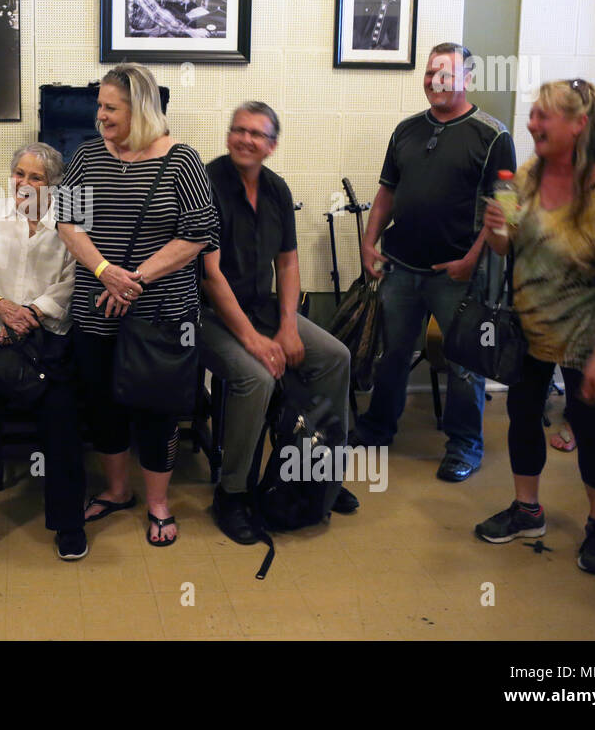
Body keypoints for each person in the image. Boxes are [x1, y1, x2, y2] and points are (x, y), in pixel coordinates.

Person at [477, 79, 595, 576]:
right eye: (532, 114)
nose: (532, 124)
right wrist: (497, 228)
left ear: (579, 125)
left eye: (544, 117)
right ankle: (528, 511)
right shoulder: (526, 174)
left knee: (589, 426)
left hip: (588, 333)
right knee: (523, 413)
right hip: (530, 326)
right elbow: (506, 248)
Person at [54, 63, 218, 546]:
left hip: (162, 314)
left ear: (140, 108)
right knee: (103, 406)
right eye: (98, 106)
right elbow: (68, 225)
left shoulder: (182, 161)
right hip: (95, 309)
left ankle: (159, 503)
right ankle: (118, 490)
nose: (99, 115)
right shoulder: (86, 157)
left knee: (158, 410)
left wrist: (135, 280)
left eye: (110, 107)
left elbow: (197, 235)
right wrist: (105, 271)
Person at [352, 43, 516, 482]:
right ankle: (378, 428)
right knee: (391, 355)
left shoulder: (494, 135)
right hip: (400, 267)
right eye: (429, 73)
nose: (435, 81)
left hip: (457, 274)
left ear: (468, 79)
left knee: (464, 366)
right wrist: (370, 244)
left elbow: (506, 209)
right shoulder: (405, 130)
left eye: (445, 73)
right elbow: (387, 191)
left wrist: (471, 259)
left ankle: (465, 446)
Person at [198, 102, 358, 544]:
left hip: (262, 306)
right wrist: (254, 341)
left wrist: (288, 325)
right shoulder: (207, 184)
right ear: (229, 135)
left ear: (272, 145)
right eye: (239, 130)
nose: (246, 139)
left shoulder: (277, 190)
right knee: (257, 376)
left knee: (335, 357)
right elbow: (211, 278)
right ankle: (232, 494)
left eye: (257, 134)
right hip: (205, 314)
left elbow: (287, 264)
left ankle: (315, 476)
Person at [0, 142, 85, 560]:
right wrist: (2, 308)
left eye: (36, 177)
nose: (23, 183)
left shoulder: (71, 217)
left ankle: (68, 523)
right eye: (19, 174)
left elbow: (71, 283)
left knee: (62, 418)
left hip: (45, 338)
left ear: (54, 185)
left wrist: (29, 316)